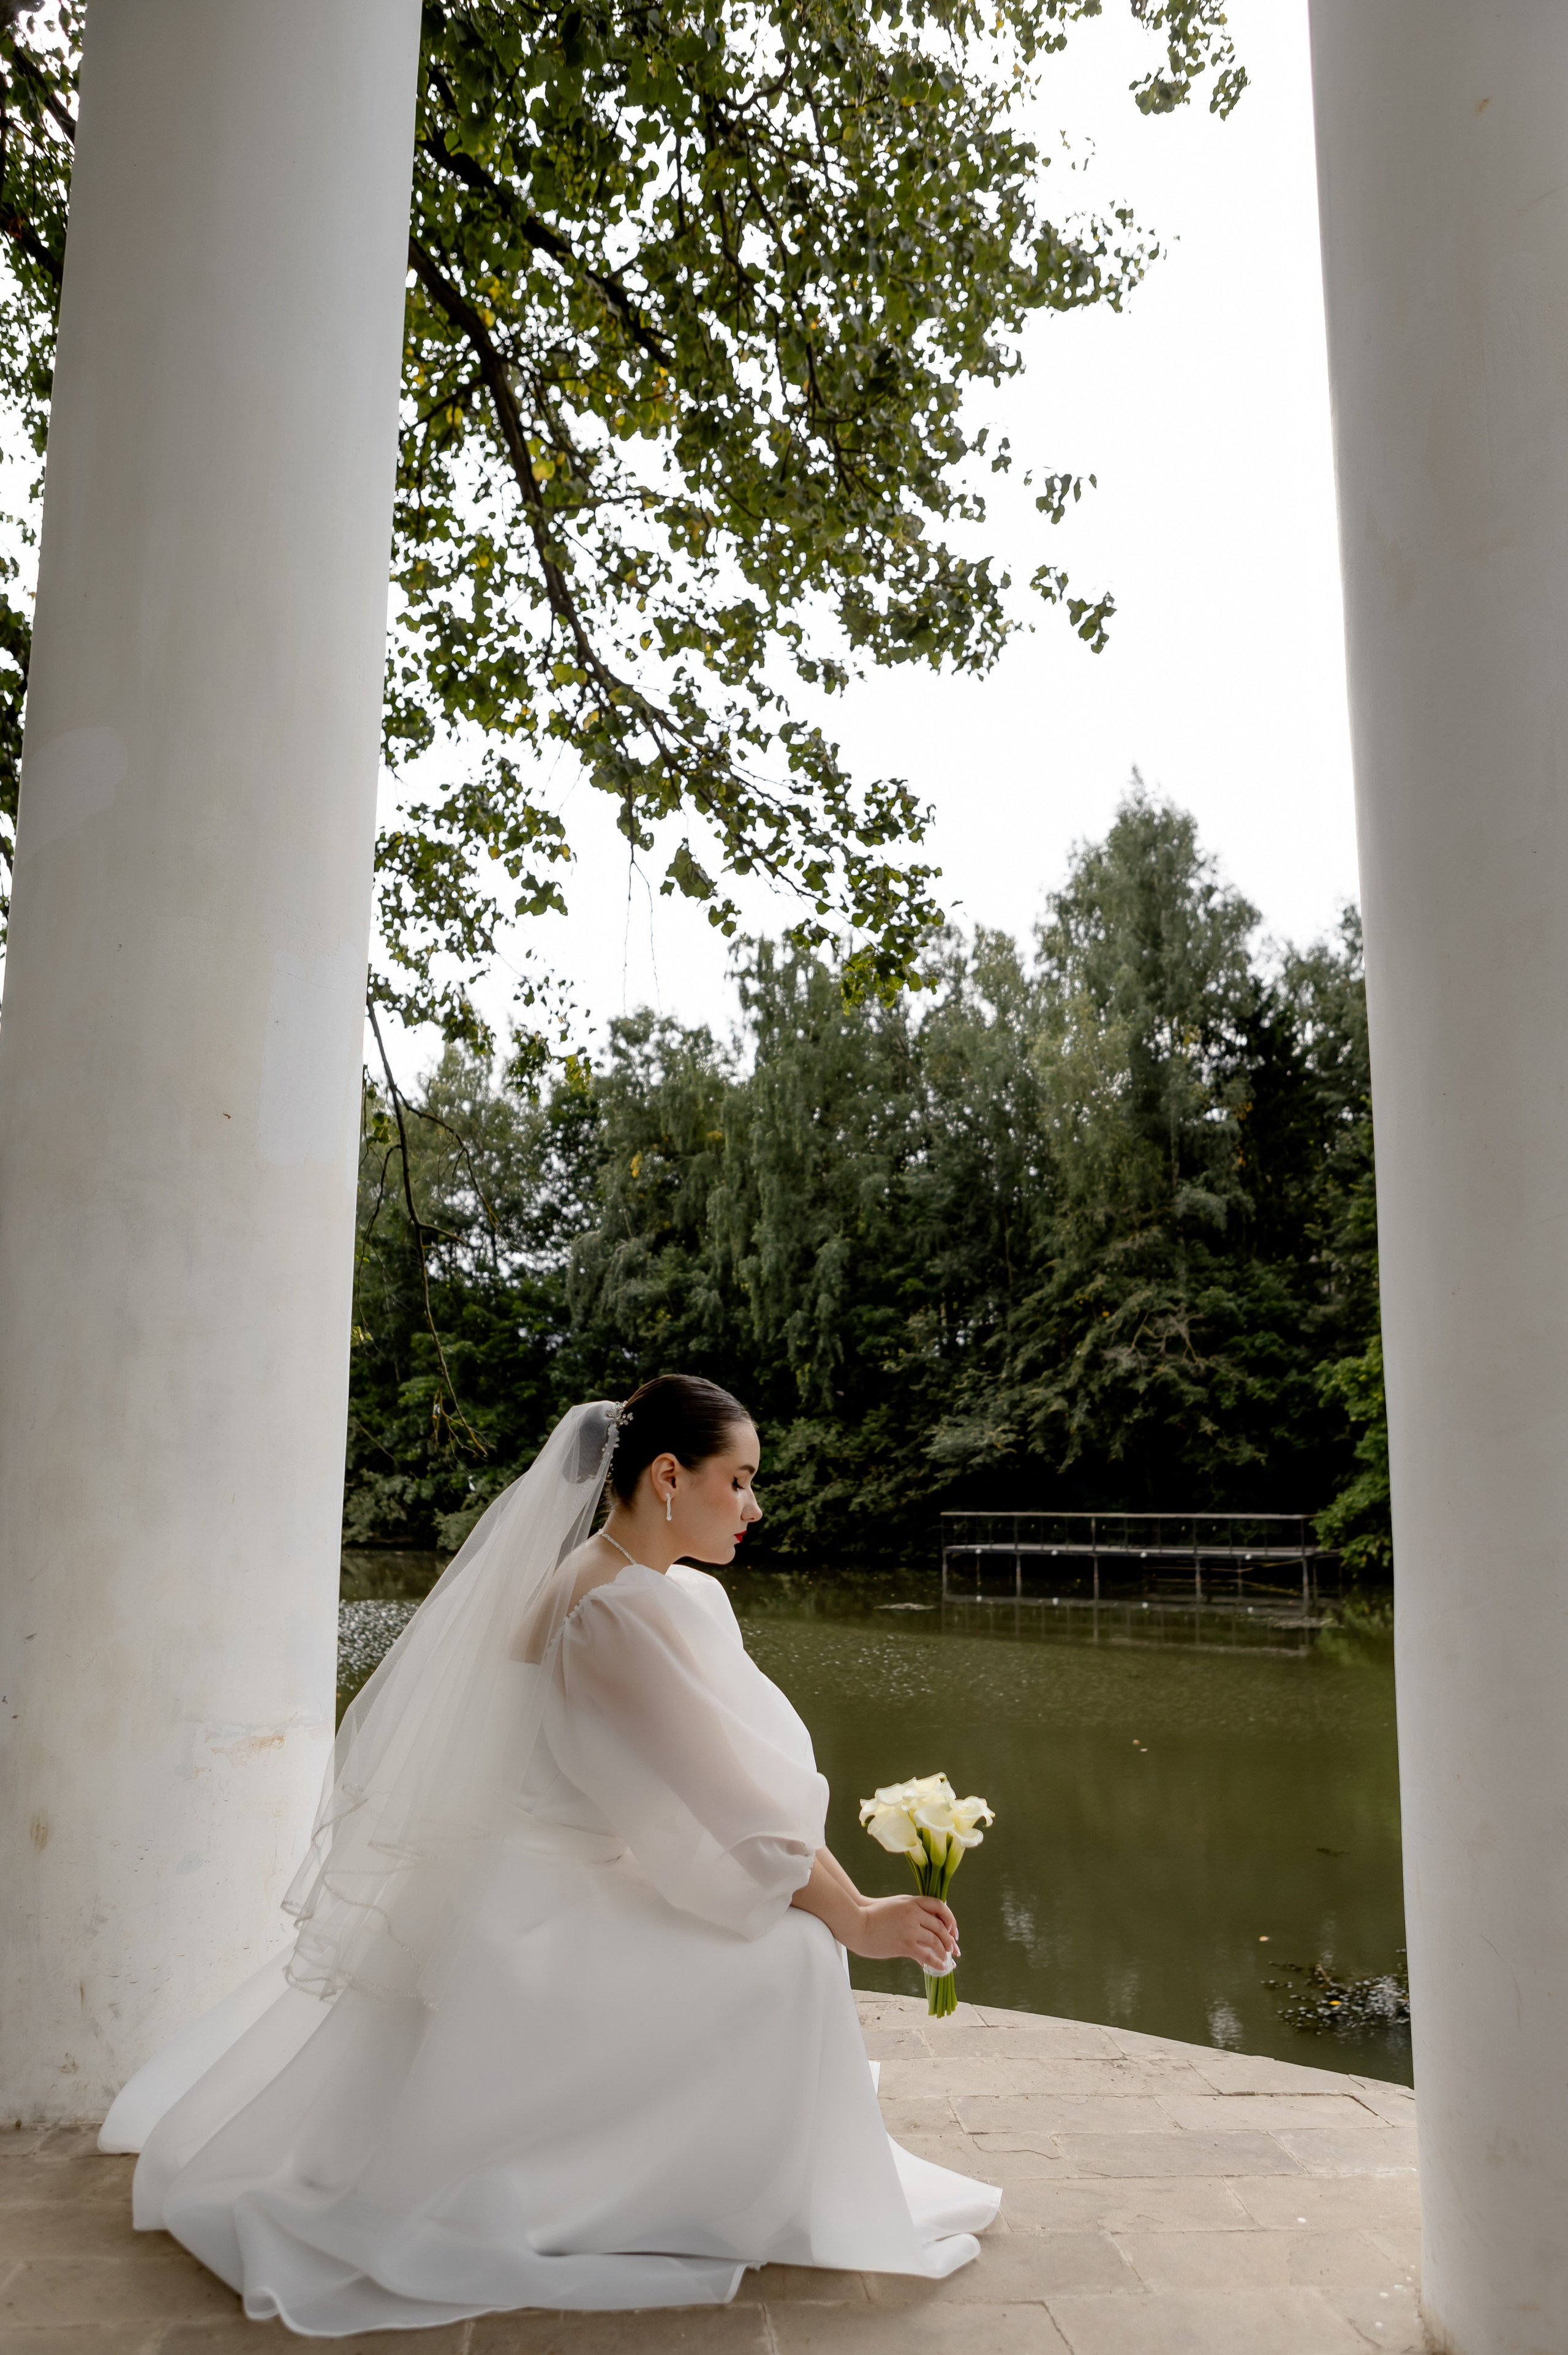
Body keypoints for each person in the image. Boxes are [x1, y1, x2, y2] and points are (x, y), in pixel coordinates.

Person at [102, 1377, 1000, 2334]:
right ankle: (706, 2191)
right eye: (737, 1481)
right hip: (547, 1913)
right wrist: (859, 1917)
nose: (754, 1507)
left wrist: (825, 1894)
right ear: (667, 1477)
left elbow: (727, 1802)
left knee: (787, 1938)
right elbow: (746, 1810)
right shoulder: (616, 1611)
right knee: (801, 1957)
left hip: (527, 1883)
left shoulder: (615, 1582)